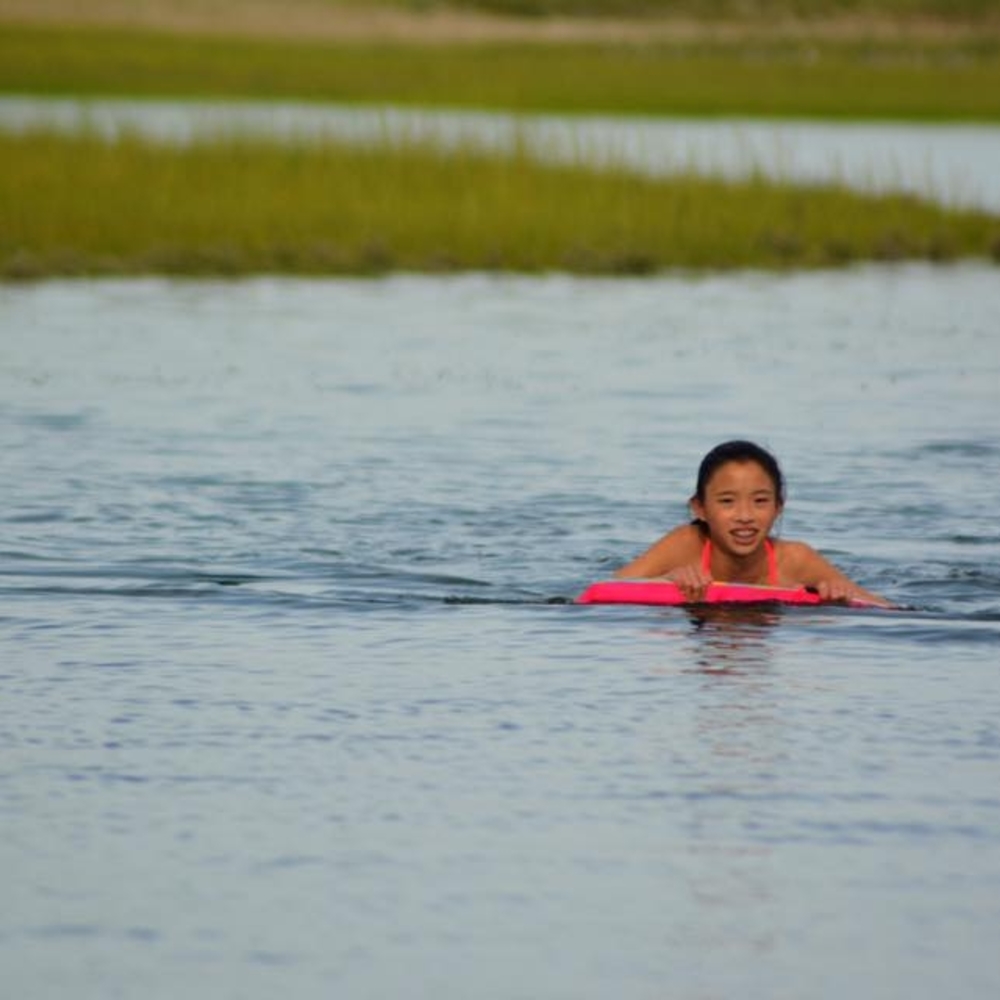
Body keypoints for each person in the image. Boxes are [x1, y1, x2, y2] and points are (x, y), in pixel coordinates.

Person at [614, 440, 891, 607]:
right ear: (700, 508)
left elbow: (885, 608)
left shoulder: (796, 560)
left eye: (760, 501)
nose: (745, 515)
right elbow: (608, 588)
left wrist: (839, 600)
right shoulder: (686, 545)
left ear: (778, 507)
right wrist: (667, 580)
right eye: (727, 501)